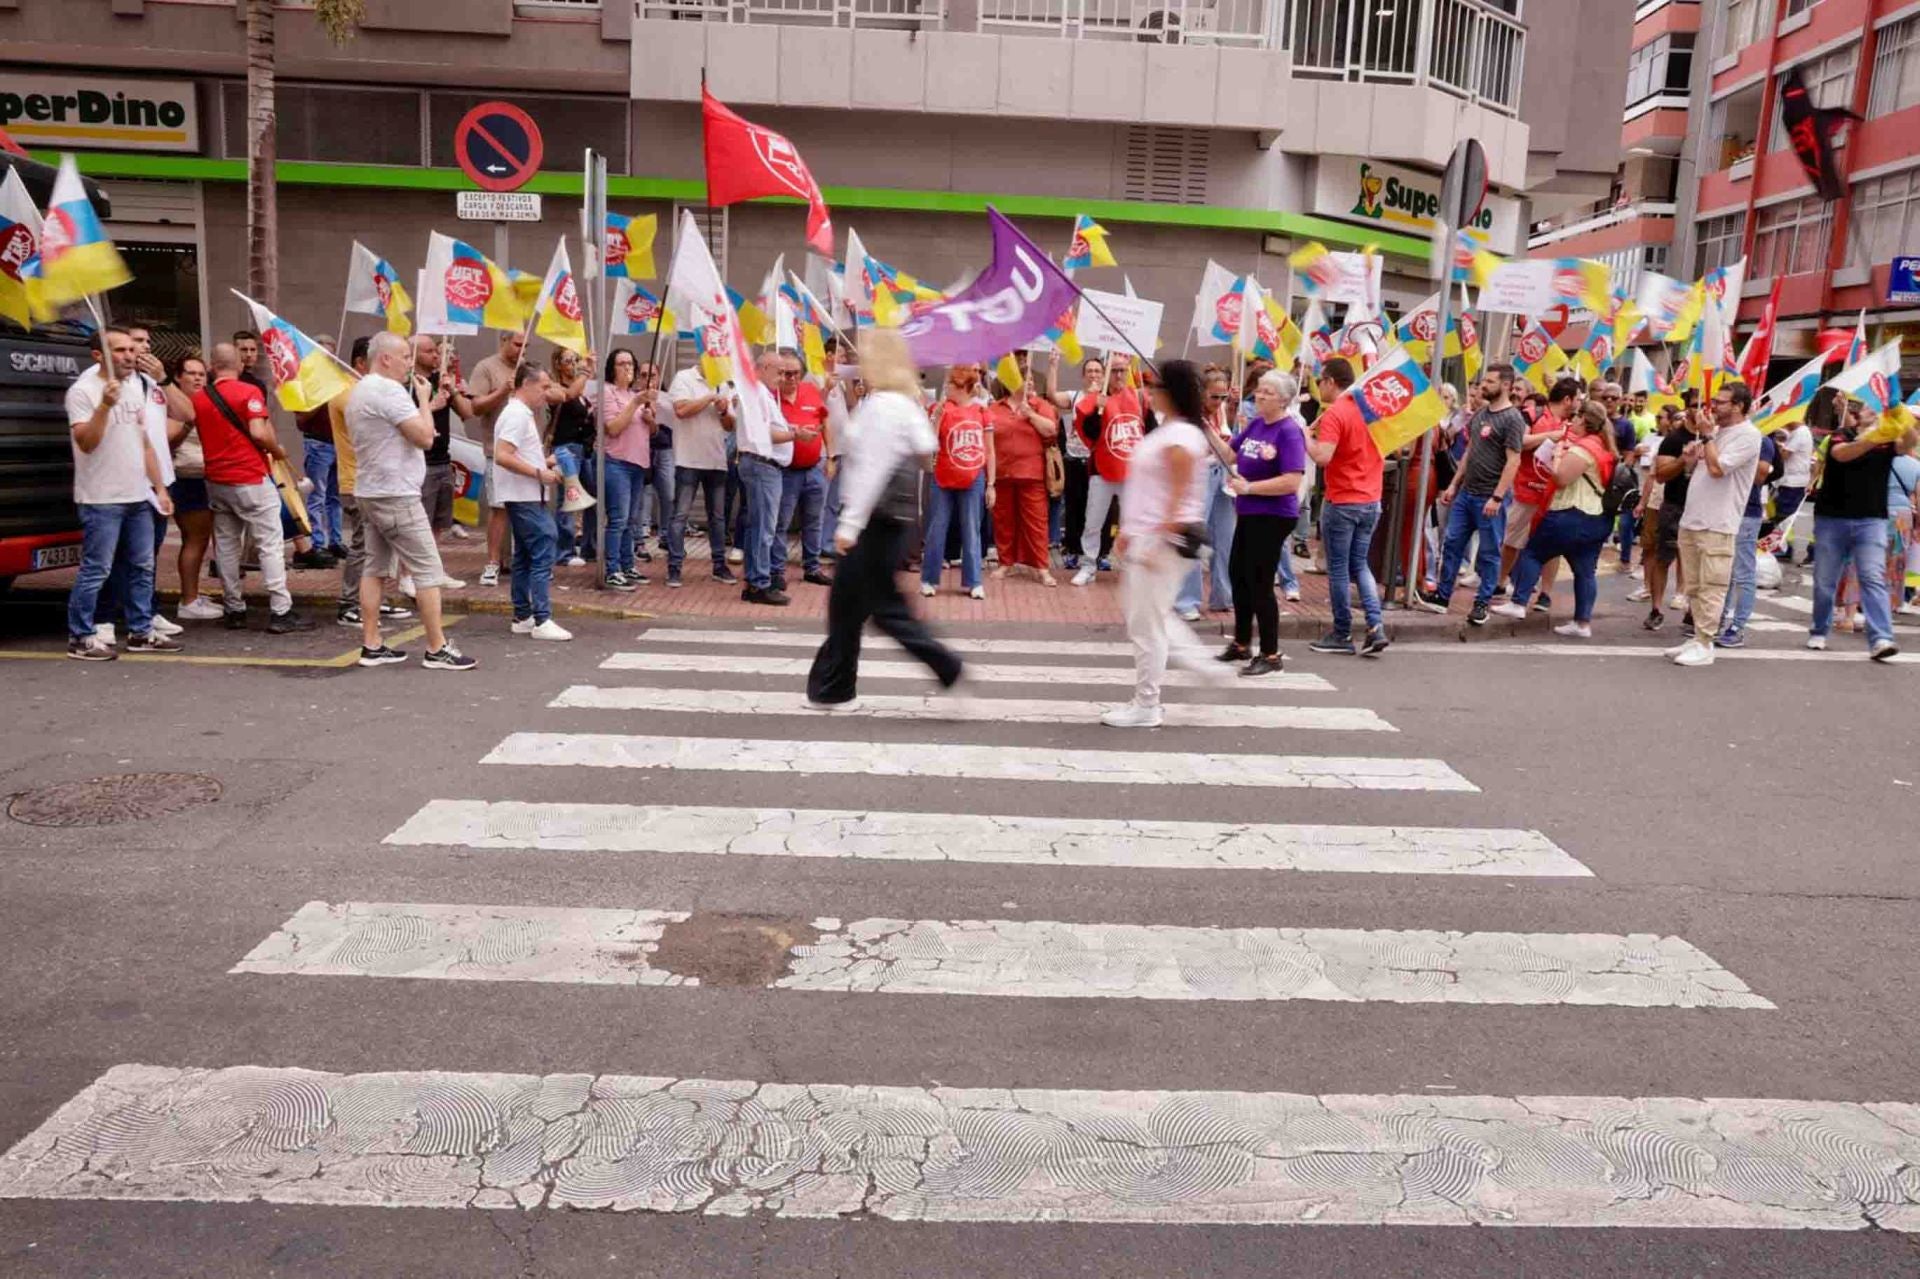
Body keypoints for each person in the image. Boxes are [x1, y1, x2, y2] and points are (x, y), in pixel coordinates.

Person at [805, 330, 961, 709]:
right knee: (848, 606)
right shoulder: (903, 404)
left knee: (881, 608)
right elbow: (927, 449)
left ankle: (947, 667)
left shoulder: (881, 407)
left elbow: (870, 472)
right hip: (896, 521)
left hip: (873, 521)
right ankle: (833, 689)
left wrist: (848, 526)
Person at [345, 331, 474, 671]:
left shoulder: (360, 388)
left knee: (374, 568)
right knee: (428, 570)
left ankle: (371, 643)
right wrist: (423, 400)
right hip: (396, 492)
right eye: (404, 356)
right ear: (384, 358)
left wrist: (422, 406)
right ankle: (437, 648)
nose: (409, 363)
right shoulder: (389, 390)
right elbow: (425, 438)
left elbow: (397, 430)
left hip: (371, 489)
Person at [1103, 360, 1215, 728]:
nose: (1150, 391)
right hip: (1149, 536)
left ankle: (1147, 704)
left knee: (1146, 624)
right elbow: (1151, 490)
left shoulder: (1181, 437)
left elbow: (1179, 498)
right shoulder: (1170, 432)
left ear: (1172, 392)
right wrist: (1129, 532)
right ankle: (1203, 668)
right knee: (1152, 617)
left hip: (1162, 540)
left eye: (1156, 386)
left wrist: (1155, 541)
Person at [62, 326, 178, 660]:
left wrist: (158, 488)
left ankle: (141, 632)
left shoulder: (133, 388)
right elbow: (86, 442)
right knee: (97, 569)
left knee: (143, 566)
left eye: (131, 349)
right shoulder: (83, 391)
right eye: (120, 350)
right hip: (101, 498)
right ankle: (81, 636)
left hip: (138, 495)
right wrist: (104, 406)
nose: (130, 355)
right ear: (99, 356)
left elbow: (144, 442)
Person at [193, 342, 312, 633]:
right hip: (249, 477)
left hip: (217, 481)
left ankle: (234, 608)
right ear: (240, 365)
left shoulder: (199, 397)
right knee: (270, 544)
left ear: (212, 365)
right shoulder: (248, 392)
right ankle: (280, 611)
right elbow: (259, 431)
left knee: (227, 546)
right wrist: (278, 449)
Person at [1491, 401, 1618, 637]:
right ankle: (1582, 622)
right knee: (1585, 571)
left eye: (1577, 417)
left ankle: (1518, 603)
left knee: (1533, 553)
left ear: (1584, 420)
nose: (1572, 421)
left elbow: (1561, 478)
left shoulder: (1584, 449)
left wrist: (1558, 456)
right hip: (1594, 517)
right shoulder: (1603, 447)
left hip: (1570, 513)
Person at [1807, 397, 1920, 659]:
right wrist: (1874, 437)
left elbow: (1910, 444)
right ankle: (1819, 629)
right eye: (1871, 407)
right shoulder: (1841, 435)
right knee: (1825, 580)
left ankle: (1881, 638)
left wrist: (1903, 420)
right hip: (1832, 519)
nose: (1875, 411)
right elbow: (1842, 454)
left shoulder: (1888, 441)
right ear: (1859, 414)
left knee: (1872, 577)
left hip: (1872, 520)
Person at [1417, 363, 1526, 626]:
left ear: (1506, 386)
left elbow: (1514, 461)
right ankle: (1442, 597)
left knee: (1489, 552)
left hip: (1490, 496)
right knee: (1452, 544)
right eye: (1484, 381)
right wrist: (1454, 485)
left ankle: (1482, 603)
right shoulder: (1480, 416)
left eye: (1490, 382)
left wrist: (1497, 497)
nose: (1483, 386)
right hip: (1467, 494)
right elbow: (1470, 452)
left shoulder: (1512, 419)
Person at [1217, 369, 1307, 677]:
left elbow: (1291, 481)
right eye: (1260, 389)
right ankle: (1242, 643)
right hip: (1249, 511)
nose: (1260, 394)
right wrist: (1205, 426)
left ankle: (1270, 653)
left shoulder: (1289, 431)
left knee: (1259, 583)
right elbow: (1228, 453)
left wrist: (1251, 488)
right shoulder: (1256, 424)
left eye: (1268, 391)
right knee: (1238, 575)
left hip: (1273, 515)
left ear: (1283, 399)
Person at [1666, 382, 1763, 668]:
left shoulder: (1749, 436)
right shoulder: (1719, 433)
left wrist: (1707, 438)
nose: (1714, 406)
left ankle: (1706, 643)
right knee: (1693, 586)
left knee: (1713, 585)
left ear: (1739, 406)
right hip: (1693, 518)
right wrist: (1690, 457)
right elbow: (1702, 468)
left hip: (1718, 522)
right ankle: (1697, 637)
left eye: (1721, 402)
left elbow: (1719, 469)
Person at [1306, 357, 1389, 657]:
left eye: (1320, 381)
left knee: (1340, 569)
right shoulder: (1372, 411)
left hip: (1343, 500)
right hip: (1371, 499)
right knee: (1360, 564)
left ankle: (1342, 633)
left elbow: (1322, 457)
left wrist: (1305, 438)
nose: (1318, 387)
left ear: (1330, 381)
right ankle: (1375, 626)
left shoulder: (1335, 413)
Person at [328, 337, 413, 631]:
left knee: (380, 547)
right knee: (363, 546)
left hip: (377, 480)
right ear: (362, 363)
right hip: (357, 480)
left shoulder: (366, 391)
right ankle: (349, 603)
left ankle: (374, 599)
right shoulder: (350, 394)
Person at [494, 365, 571, 641]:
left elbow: (516, 452)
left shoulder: (519, 413)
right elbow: (503, 454)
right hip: (524, 494)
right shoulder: (516, 414)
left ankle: (523, 615)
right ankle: (541, 618)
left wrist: (543, 461)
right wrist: (539, 472)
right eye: (543, 387)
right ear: (526, 384)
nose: (546, 393)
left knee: (525, 556)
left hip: (524, 494)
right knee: (543, 547)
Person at [1502, 379, 1577, 613]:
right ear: (1567, 399)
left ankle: (1545, 594)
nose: (1579, 403)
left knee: (1550, 547)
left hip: (1553, 495)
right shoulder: (1533, 415)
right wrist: (1549, 437)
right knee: (1511, 540)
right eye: (1577, 398)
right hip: (1526, 489)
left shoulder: (1573, 425)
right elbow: (1520, 442)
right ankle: (1499, 582)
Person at [1071, 355, 1143, 586]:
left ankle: (1131, 567)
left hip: (1132, 473)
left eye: (1123, 371)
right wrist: (1096, 411)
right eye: (1114, 371)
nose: (1119, 375)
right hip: (1101, 472)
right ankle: (1088, 565)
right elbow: (1089, 435)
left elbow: (1150, 430)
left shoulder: (1139, 398)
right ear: (1105, 375)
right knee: (1093, 521)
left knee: (1131, 522)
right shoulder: (1096, 401)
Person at [922, 363, 993, 600]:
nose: (947, 387)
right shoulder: (941, 409)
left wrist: (991, 483)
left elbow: (990, 451)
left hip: (973, 477)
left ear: (965, 387)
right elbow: (930, 443)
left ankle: (973, 581)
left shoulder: (982, 412)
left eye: (951, 384)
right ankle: (929, 578)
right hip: (943, 477)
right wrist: (937, 418)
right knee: (936, 527)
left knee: (971, 528)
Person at [463, 330, 526, 588]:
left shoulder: (527, 369)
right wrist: (503, 390)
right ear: (503, 341)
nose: (522, 350)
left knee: (524, 508)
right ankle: (492, 563)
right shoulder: (485, 367)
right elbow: (476, 407)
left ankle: (520, 561)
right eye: (518, 344)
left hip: (524, 452)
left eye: (526, 345)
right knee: (498, 508)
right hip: (497, 450)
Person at [667, 354, 737, 585]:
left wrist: (725, 410)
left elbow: (730, 426)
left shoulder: (725, 384)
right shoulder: (684, 378)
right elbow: (681, 410)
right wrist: (708, 398)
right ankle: (674, 568)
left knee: (717, 518)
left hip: (716, 458)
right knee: (680, 515)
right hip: (688, 458)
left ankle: (719, 565)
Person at [1175, 369, 1238, 621]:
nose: (1219, 402)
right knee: (1196, 535)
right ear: (1201, 394)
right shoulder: (1189, 416)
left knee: (1224, 537)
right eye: (1215, 397)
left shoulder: (1220, 410)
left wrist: (1231, 411)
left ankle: (1222, 595)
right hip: (1199, 474)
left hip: (1223, 473)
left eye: (1223, 397)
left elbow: (1228, 437)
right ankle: (1187, 600)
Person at [736, 347, 797, 606]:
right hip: (762, 465)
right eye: (779, 371)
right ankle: (760, 582)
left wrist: (790, 430)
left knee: (757, 527)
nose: (782, 377)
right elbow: (764, 432)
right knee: (764, 528)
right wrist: (796, 435)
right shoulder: (756, 393)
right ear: (763, 369)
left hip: (761, 465)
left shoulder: (760, 393)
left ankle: (754, 580)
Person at [988, 362, 1059, 586]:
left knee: (1037, 522)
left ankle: (1042, 567)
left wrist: (1031, 416)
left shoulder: (1040, 405)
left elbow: (1051, 430)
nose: (1029, 382)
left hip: (1032, 474)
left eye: (1030, 379)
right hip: (1002, 474)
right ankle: (1005, 563)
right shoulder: (995, 408)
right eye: (1024, 379)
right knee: (1003, 521)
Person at [165, 354, 222, 622]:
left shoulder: (202, 401)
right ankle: (188, 600)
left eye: (202, 373)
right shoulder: (174, 405)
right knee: (195, 539)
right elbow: (168, 444)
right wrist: (188, 422)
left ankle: (193, 595)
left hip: (204, 476)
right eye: (191, 373)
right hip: (187, 476)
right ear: (178, 376)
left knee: (200, 539)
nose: (198, 378)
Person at [1713, 423, 1778, 649]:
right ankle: (1717, 622)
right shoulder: (1724, 434)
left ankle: (1737, 627)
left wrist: (1735, 460)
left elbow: (1760, 475)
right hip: (1724, 508)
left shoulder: (1761, 440)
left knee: (1742, 572)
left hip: (1747, 512)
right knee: (1723, 571)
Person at [774, 348, 833, 590]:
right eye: (786, 374)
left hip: (813, 468)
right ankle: (777, 569)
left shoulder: (810, 392)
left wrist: (831, 456)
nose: (792, 379)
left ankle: (812, 566)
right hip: (786, 470)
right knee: (781, 522)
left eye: (796, 373)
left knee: (814, 520)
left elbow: (824, 422)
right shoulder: (771, 397)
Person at [599, 348, 656, 592]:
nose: (628, 368)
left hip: (637, 463)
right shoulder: (607, 393)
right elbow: (613, 427)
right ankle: (612, 570)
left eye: (631, 364)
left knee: (631, 520)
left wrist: (650, 418)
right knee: (619, 518)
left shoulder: (635, 394)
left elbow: (652, 432)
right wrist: (634, 404)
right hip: (617, 461)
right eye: (622, 364)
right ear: (612, 368)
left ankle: (627, 564)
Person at [413, 335, 473, 545]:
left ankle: (431, 567)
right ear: (413, 354)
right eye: (428, 351)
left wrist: (452, 390)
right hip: (422, 462)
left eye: (436, 351)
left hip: (443, 462)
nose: (436, 355)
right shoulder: (408, 385)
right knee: (420, 524)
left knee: (439, 523)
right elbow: (406, 422)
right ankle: (408, 574)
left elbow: (467, 411)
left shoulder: (440, 382)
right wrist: (432, 406)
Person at [1054, 356, 1108, 573]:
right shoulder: (1074, 396)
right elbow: (1052, 394)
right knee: (1075, 508)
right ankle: (1074, 551)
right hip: (1075, 459)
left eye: (1097, 371)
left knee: (1099, 509)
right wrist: (1053, 366)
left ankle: (1101, 553)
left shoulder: (1107, 398)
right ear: (1083, 375)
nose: (1093, 374)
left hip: (1098, 461)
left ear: (1103, 375)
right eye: (1090, 371)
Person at [545, 347, 597, 567]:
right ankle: (564, 552)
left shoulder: (583, 388)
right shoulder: (555, 387)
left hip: (583, 448)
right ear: (558, 364)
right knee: (569, 499)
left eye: (577, 359)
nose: (574, 364)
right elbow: (569, 395)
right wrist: (585, 373)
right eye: (569, 360)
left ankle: (590, 547)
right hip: (565, 447)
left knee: (593, 497)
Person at [633, 359, 675, 574]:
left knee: (668, 494)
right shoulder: (633, 398)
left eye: (652, 375)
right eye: (643, 375)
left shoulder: (666, 398)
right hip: (642, 450)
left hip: (664, 449)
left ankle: (666, 535)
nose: (648, 379)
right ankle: (639, 539)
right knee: (642, 496)